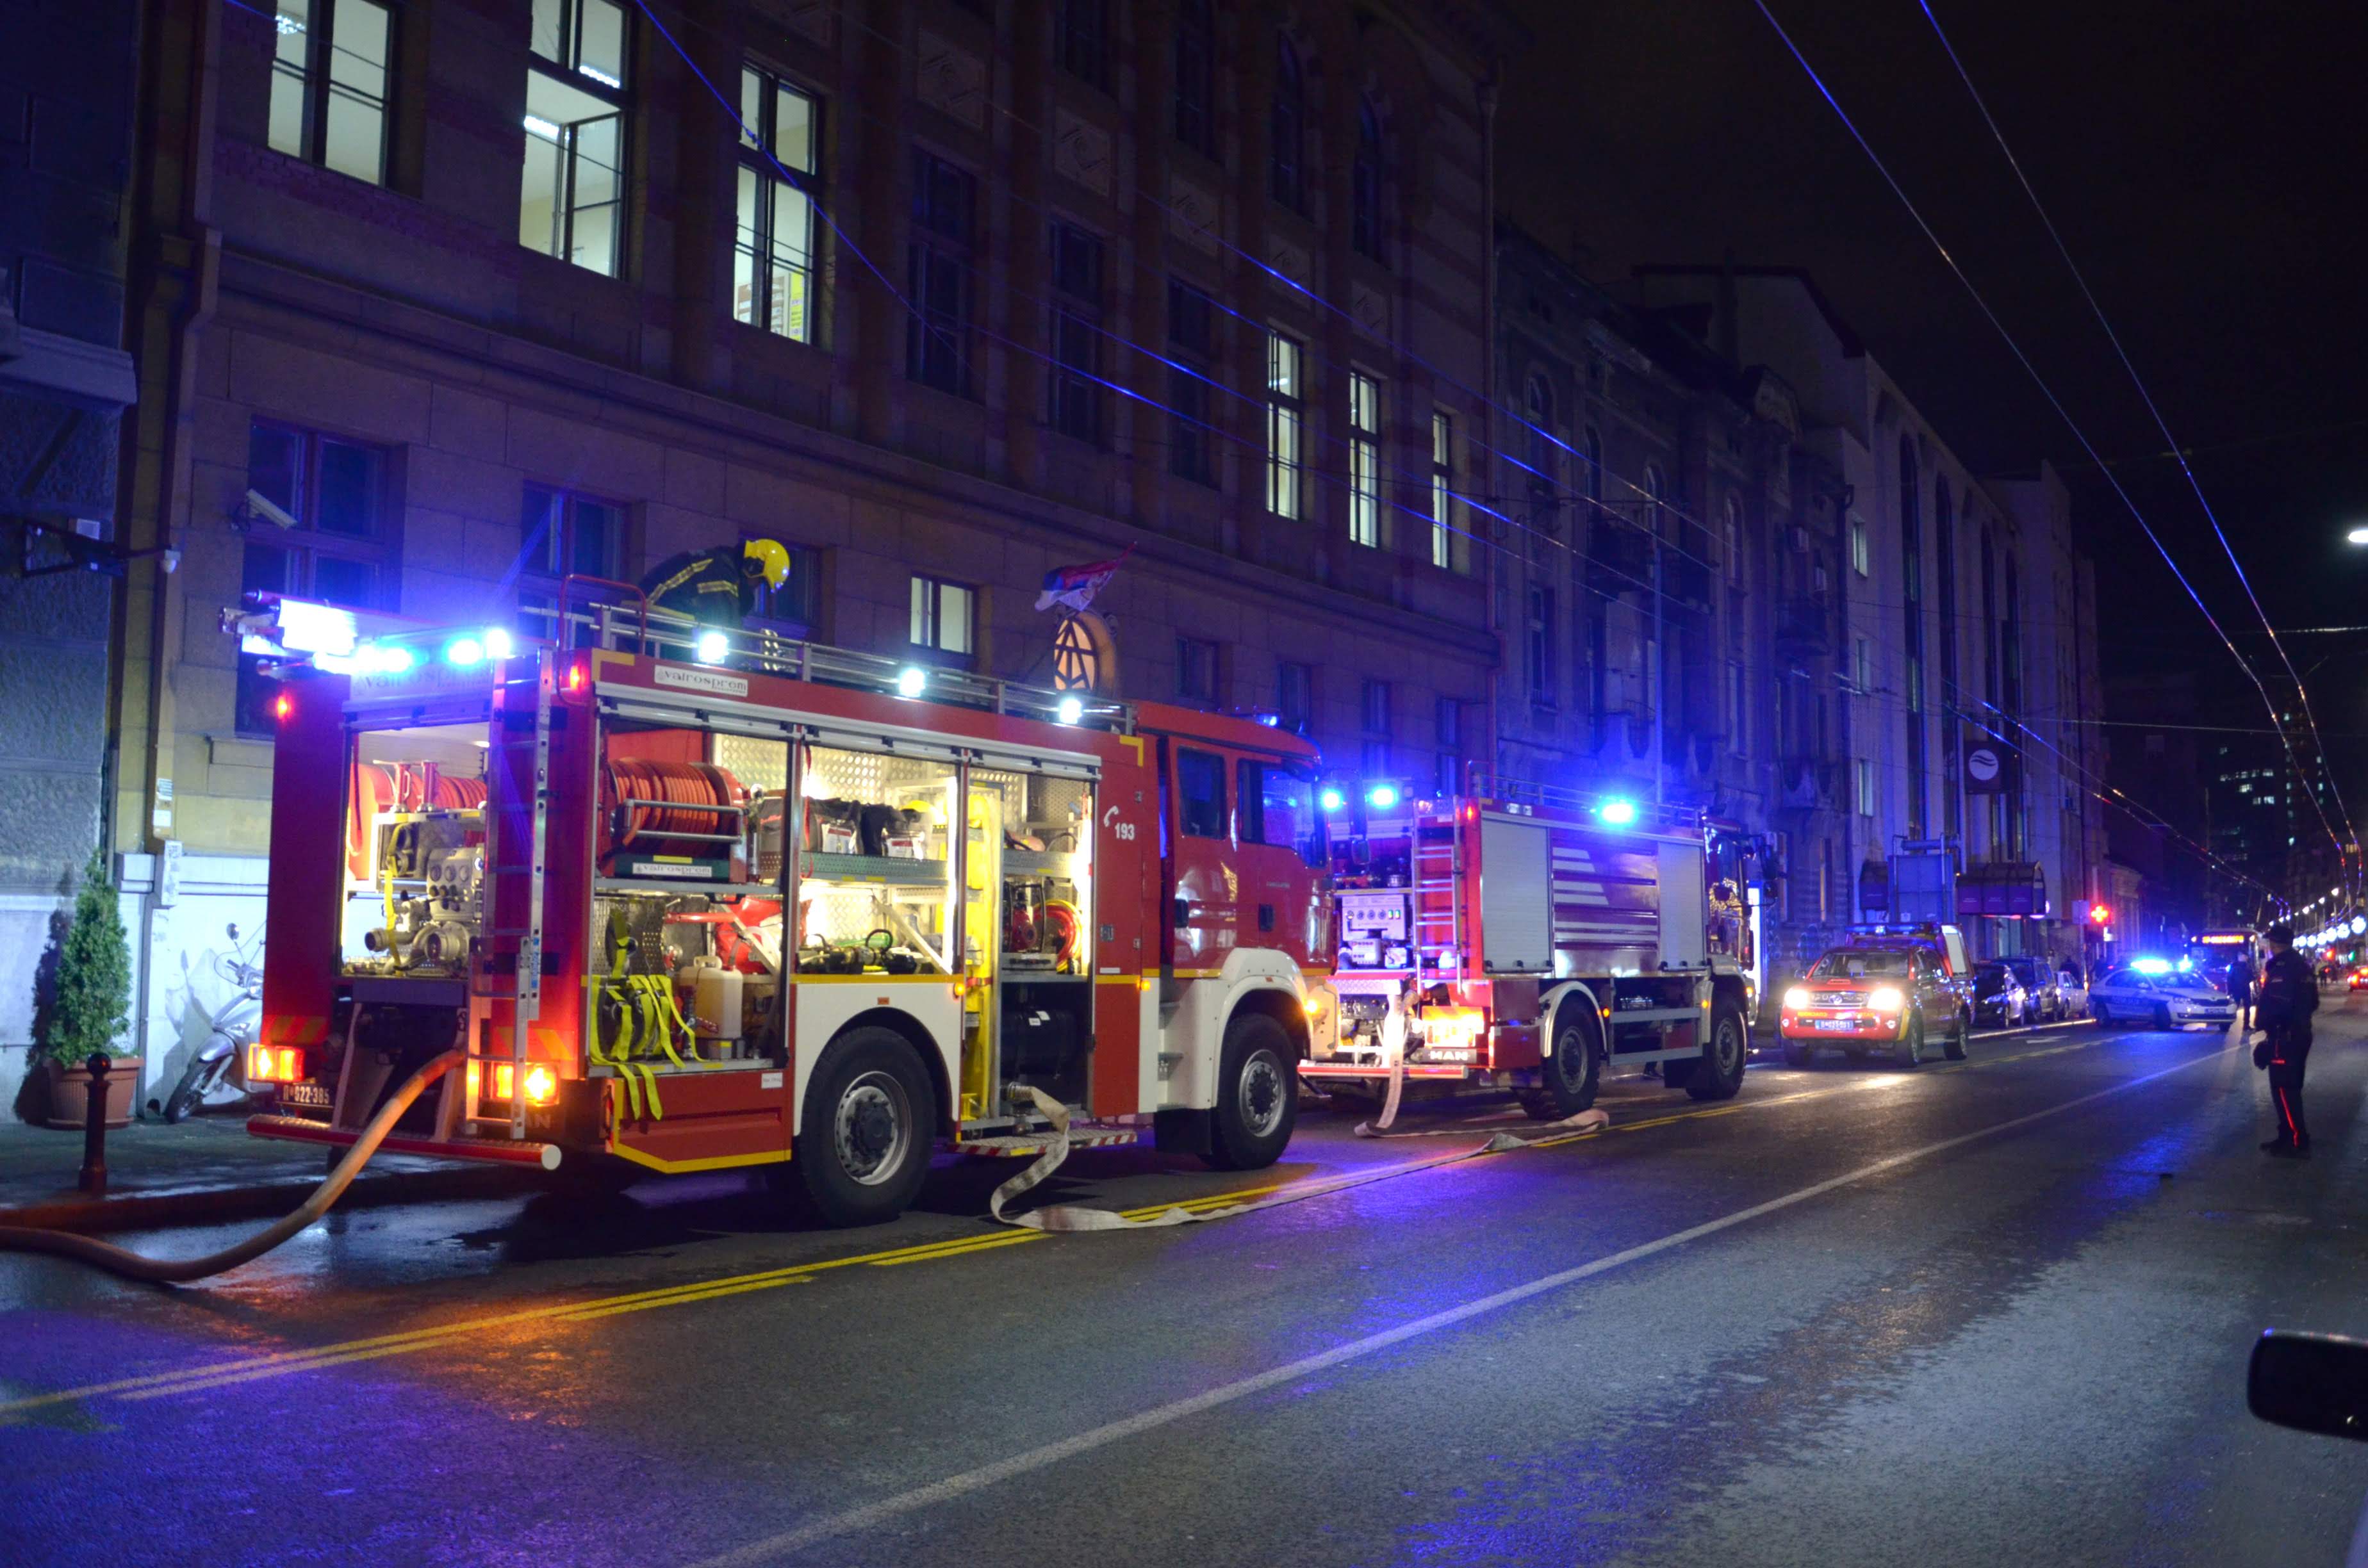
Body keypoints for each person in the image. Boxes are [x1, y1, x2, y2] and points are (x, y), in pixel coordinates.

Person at [2253, 923, 2318, 1159]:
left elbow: (2279, 1005)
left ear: (2273, 944)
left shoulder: (2283, 968)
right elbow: (2313, 1003)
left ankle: (2296, 1140)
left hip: (2285, 1037)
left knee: (2284, 1089)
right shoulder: (2302, 966)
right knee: (2289, 1089)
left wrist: (2266, 1024)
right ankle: (2287, 1135)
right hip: (2298, 1035)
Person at [2225, 945, 2257, 1034]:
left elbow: (2251, 978)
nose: (2247, 958)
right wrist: (2230, 991)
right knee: (2235, 1007)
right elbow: (2230, 979)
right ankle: (2227, 1024)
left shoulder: (2246, 966)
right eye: (2245, 956)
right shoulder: (2236, 967)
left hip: (2244, 989)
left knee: (2247, 1007)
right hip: (2238, 990)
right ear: (2241, 956)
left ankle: (2246, 1025)